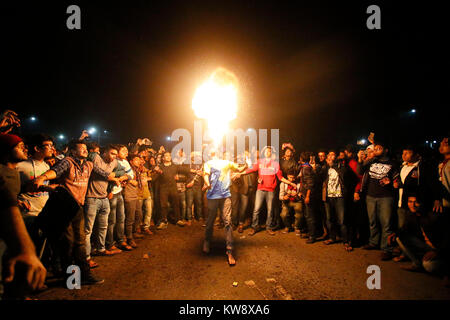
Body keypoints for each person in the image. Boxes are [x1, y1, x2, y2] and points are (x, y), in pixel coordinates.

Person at [33, 139, 104, 285]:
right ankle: (71, 278)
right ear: (73, 151)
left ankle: (85, 275)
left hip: (78, 208)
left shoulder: (89, 165)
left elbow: (105, 173)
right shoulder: (68, 161)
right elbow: (55, 171)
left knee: (80, 242)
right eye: (81, 148)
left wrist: (121, 176)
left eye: (86, 148)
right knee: (68, 243)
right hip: (64, 207)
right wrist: (43, 177)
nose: (85, 150)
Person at [389, 195, 450, 285]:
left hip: (441, 250)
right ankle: (417, 264)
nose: (412, 205)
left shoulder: (433, 216)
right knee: (400, 237)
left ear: (421, 203)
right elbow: (404, 229)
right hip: (428, 247)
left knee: (429, 266)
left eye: (416, 202)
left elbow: (447, 238)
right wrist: (394, 234)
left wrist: (437, 252)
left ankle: (447, 273)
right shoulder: (411, 214)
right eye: (410, 202)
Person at [357, 139, 399, 260]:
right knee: (372, 221)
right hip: (371, 195)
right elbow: (360, 171)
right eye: (375, 149)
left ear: (386, 150)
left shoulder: (392, 163)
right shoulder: (371, 161)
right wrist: (360, 159)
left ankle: (387, 249)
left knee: (386, 223)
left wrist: (391, 182)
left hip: (386, 197)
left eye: (379, 148)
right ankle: (373, 242)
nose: (376, 150)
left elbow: (397, 181)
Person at [202, 149, 245, 266]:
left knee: (228, 221)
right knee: (210, 221)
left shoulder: (227, 163)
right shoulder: (208, 163)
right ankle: (207, 241)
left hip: (225, 195)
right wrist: (207, 184)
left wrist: (247, 163)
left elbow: (240, 169)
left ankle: (230, 251)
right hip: (212, 196)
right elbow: (205, 175)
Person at [244, 146, 297, 236]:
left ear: (271, 154)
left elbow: (280, 177)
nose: (268, 153)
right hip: (260, 189)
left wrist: (291, 183)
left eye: (269, 151)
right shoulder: (260, 162)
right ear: (264, 153)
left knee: (270, 210)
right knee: (256, 209)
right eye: (266, 151)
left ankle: (269, 227)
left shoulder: (275, 164)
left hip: (271, 190)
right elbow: (251, 169)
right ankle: (254, 227)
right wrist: (240, 173)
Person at [84, 145, 122, 261]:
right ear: (104, 152)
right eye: (112, 153)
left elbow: (122, 171)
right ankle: (86, 257)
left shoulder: (114, 162)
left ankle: (101, 248)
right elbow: (93, 167)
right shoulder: (95, 158)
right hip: (91, 198)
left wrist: (113, 178)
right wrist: (109, 176)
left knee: (103, 226)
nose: (114, 156)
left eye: (115, 154)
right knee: (88, 229)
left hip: (104, 198)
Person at [321, 151, 352, 251]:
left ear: (336, 157)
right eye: (328, 155)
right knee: (329, 218)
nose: (330, 156)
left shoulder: (341, 166)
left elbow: (344, 174)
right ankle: (332, 237)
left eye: (332, 154)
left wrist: (333, 165)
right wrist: (326, 165)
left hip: (339, 196)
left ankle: (346, 241)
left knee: (342, 220)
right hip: (328, 196)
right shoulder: (326, 167)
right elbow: (320, 175)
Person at [153, 152, 192, 229]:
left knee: (176, 204)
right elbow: (154, 178)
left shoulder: (174, 166)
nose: (168, 157)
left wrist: (195, 171)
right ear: (163, 158)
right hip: (163, 188)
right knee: (163, 205)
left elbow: (185, 170)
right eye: (166, 156)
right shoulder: (160, 167)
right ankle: (164, 221)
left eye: (169, 155)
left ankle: (177, 220)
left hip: (173, 188)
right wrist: (155, 170)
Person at [298, 151, 318, 243]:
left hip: (308, 194)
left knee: (310, 215)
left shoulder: (306, 168)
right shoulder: (305, 167)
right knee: (307, 215)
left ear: (302, 159)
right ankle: (310, 233)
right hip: (304, 193)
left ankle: (312, 236)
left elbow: (310, 183)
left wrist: (307, 196)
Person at [279, 170, 304, 236]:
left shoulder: (298, 184)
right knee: (283, 214)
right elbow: (280, 196)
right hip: (287, 202)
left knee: (299, 214)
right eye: (290, 177)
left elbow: (301, 196)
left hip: (297, 201)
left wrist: (296, 195)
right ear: (287, 176)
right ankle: (288, 227)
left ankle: (297, 227)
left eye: (293, 178)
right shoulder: (283, 184)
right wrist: (285, 197)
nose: (292, 179)